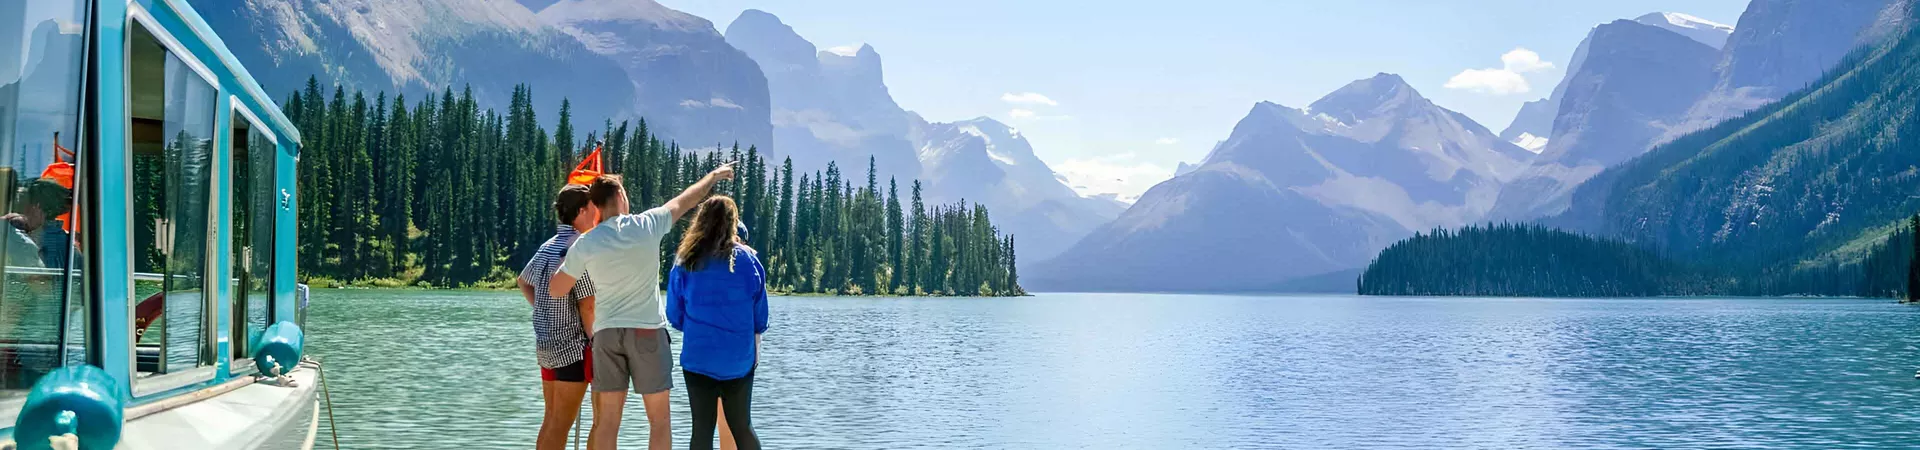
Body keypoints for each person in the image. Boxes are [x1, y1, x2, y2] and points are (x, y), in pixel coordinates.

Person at [551, 164, 734, 450]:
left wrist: (573, 258)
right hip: (647, 331)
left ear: (595, 206)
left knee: (607, 421)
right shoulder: (648, 224)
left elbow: (557, 289)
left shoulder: (587, 242)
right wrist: (713, 176)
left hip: (607, 335)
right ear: (620, 196)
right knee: (659, 421)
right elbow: (685, 200)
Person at [668, 203, 768, 450]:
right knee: (742, 426)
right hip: (738, 361)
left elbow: (674, 315)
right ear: (733, 224)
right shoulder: (749, 261)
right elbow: (760, 318)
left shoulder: (687, 260)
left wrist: (698, 327)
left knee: (701, 429)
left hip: (698, 358)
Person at [518, 184, 600, 450]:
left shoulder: (548, 246)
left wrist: (541, 308)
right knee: (561, 423)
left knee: (551, 420)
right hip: (571, 349)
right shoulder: (579, 249)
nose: (596, 213)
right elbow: (587, 306)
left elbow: (523, 281)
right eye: (592, 207)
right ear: (581, 211)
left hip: (546, 345)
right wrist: (596, 342)